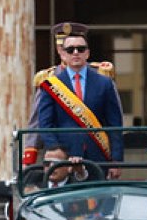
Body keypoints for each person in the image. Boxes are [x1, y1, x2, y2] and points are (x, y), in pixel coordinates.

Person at [32, 22, 125, 179]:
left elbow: (115, 124)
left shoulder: (105, 83)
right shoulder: (50, 85)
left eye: (80, 49)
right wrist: (57, 152)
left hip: (98, 156)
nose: (76, 53)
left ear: (87, 53)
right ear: (63, 54)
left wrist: (116, 160)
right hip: (64, 160)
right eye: (70, 50)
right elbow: (45, 125)